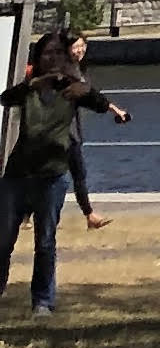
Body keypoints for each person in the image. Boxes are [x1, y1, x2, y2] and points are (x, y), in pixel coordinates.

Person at [2, 24, 131, 316]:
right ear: (39, 56)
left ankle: (43, 302)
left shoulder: (73, 88)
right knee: (3, 239)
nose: (52, 57)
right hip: (18, 175)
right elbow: (5, 99)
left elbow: (99, 103)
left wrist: (86, 89)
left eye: (58, 52)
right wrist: (32, 85)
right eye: (47, 52)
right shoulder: (30, 87)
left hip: (52, 175)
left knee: (45, 241)